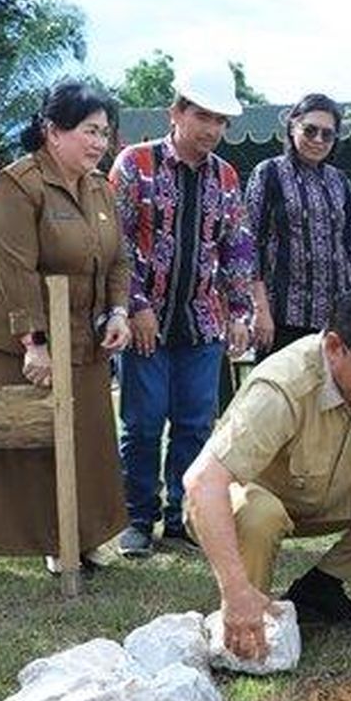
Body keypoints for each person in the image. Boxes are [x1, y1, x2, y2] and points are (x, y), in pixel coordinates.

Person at [183, 286, 351, 659]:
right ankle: (246, 615)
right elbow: (202, 483)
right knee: (258, 516)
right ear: (335, 348)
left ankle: (319, 589)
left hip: (328, 493)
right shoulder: (281, 387)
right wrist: (234, 590)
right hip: (257, 499)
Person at [0, 79, 131, 574]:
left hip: (85, 340)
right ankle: (51, 543)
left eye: (105, 133)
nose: (99, 143)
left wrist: (120, 312)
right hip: (28, 343)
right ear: (52, 130)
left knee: (85, 443)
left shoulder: (100, 187)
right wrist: (34, 342)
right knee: (39, 446)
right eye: (89, 130)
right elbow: (14, 270)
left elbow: (118, 260)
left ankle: (82, 540)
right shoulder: (17, 184)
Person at [110, 66, 257, 558]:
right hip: (143, 321)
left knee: (197, 424)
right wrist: (136, 306)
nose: (211, 130)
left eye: (220, 121)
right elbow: (117, 243)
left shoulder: (227, 175)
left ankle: (183, 519)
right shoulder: (135, 164)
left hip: (203, 320)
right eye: (202, 117)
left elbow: (236, 246)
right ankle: (137, 519)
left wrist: (239, 311)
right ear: (176, 113)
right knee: (144, 422)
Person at [246, 93, 351, 355]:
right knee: (280, 394)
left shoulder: (340, 181)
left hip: (334, 321)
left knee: (332, 394)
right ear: (292, 126)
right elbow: (250, 247)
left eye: (327, 134)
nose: (318, 140)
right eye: (310, 131)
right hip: (280, 318)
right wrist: (260, 310)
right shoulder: (269, 173)